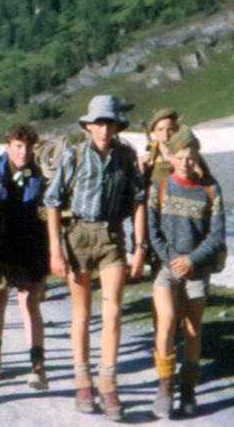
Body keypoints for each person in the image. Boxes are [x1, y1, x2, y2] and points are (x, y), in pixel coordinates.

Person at [44, 95, 148, 421]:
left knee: (113, 312)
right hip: (77, 237)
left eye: (110, 123)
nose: (104, 129)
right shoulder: (73, 155)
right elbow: (52, 201)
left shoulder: (126, 157)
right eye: (99, 123)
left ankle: (109, 383)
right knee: (81, 314)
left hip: (112, 237)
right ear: (88, 126)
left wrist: (140, 246)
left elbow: (139, 200)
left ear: (117, 126)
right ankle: (83, 382)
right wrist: (55, 249)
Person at [148, 125, 225, 419]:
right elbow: (153, 231)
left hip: (197, 269)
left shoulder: (211, 189)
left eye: (189, 157)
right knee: (166, 322)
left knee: (192, 329)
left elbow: (217, 235)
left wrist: (192, 261)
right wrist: (173, 260)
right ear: (173, 158)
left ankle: (188, 390)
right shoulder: (160, 186)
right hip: (167, 269)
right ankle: (165, 387)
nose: (184, 163)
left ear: (197, 156)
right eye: (179, 157)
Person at [0, 123, 50, 390]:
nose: (23, 152)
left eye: (28, 147)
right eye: (18, 147)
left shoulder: (40, 176)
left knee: (29, 302)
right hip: (1, 246)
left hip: (29, 246)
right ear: (8, 147)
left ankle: (37, 365)